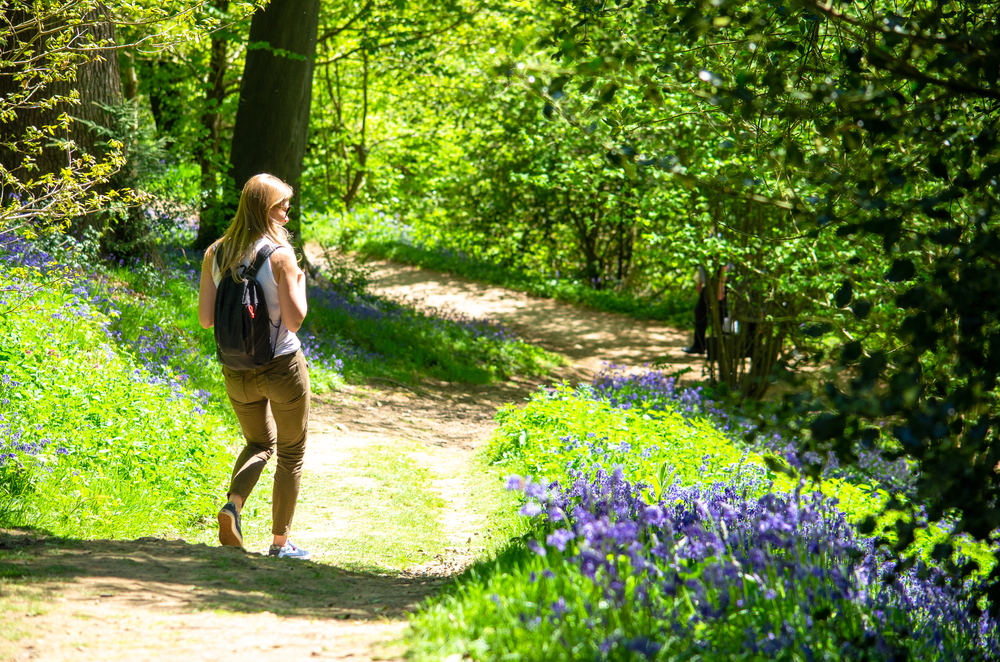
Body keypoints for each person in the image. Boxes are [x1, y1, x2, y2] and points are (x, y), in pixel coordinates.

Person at [198, 173, 311, 560]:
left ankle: (233, 506)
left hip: (236, 370)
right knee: (291, 451)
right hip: (281, 365)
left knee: (259, 443)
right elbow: (295, 320)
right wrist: (300, 283)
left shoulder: (215, 252)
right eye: (282, 205)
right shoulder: (280, 255)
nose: (287, 210)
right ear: (265, 208)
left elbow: (205, 320)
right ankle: (280, 544)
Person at [682, 264, 727, 355]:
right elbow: (703, 268)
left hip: (716, 286)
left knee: (721, 316)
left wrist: (720, 287)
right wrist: (700, 283)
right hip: (708, 286)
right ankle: (699, 346)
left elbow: (724, 267)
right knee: (700, 314)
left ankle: (721, 348)